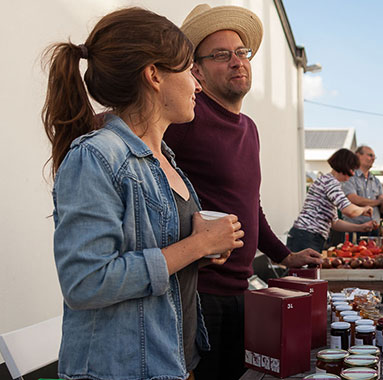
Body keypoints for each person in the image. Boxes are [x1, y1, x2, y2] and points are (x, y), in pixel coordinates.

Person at [43, 8, 244, 379]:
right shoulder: (97, 156)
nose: (197, 85)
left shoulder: (164, 157)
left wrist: (203, 250)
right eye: (188, 70)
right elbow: (86, 282)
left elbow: (151, 258)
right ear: (154, 75)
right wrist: (196, 246)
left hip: (175, 362)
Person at [162, 4, 322, 379]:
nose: (236, 61)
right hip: (199, 294)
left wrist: (285, 255)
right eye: (221, 55)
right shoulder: (186, 116)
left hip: (242, 288)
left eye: (241, 52)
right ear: (196, 71)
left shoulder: (248, 128)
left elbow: (251, 206)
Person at [287, 149, 377, 252]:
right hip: (307, 237)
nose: (353, 174)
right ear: (345, 166)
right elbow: (350, 211)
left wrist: (360, 227)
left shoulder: (327, 181)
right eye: (352, 169)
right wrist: (364, 209)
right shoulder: (330, 183)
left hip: (307, 236)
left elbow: (335, 223)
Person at [342, 145, 383, 238]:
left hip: (373, 230)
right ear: (357, 155)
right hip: (354, 229)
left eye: (374, 157)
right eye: (370, 155)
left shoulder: (376, 181)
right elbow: (353, 199)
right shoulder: (349, 177)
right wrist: (378, 202)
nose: (373, 159)